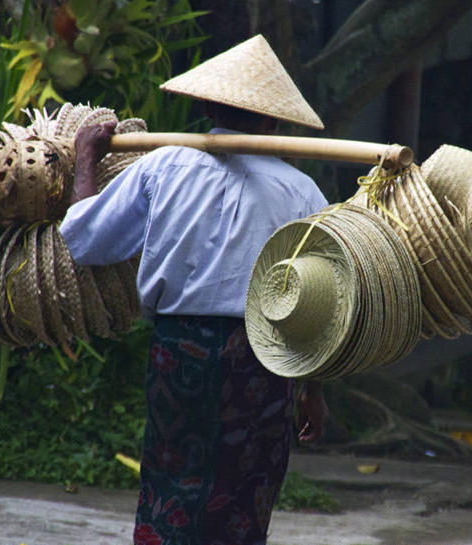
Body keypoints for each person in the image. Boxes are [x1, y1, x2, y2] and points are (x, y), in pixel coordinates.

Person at [59, 35, 330, 545]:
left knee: (171, 479)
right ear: (275, 120)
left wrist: (85, 159)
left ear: (207, 106)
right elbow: (318, 307)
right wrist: (313, 390)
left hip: (180, 353)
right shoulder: (303, 194)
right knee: (246, 493)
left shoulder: (163, 166)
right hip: (266, 358)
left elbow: (85, 238)